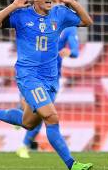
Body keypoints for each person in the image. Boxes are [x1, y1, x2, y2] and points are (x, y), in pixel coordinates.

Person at [0, 0, 95, 170]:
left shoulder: (60, 13)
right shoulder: (21, 15)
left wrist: (73, 3)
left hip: (51, 78)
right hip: (29, 75)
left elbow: (87, 22)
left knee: (28, 123)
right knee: (51, 117)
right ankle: (72, 164)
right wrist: (13, 6)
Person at [15, 23, 80, 158]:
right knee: (33, 112)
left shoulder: (68, 27)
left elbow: (75, 51)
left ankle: (24, 145)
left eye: (57, 0)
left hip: (51, 78)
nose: (53, 1)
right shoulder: (37, 20)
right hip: (31, 73)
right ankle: (13, 117)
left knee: (41, 114)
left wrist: (69, 52)